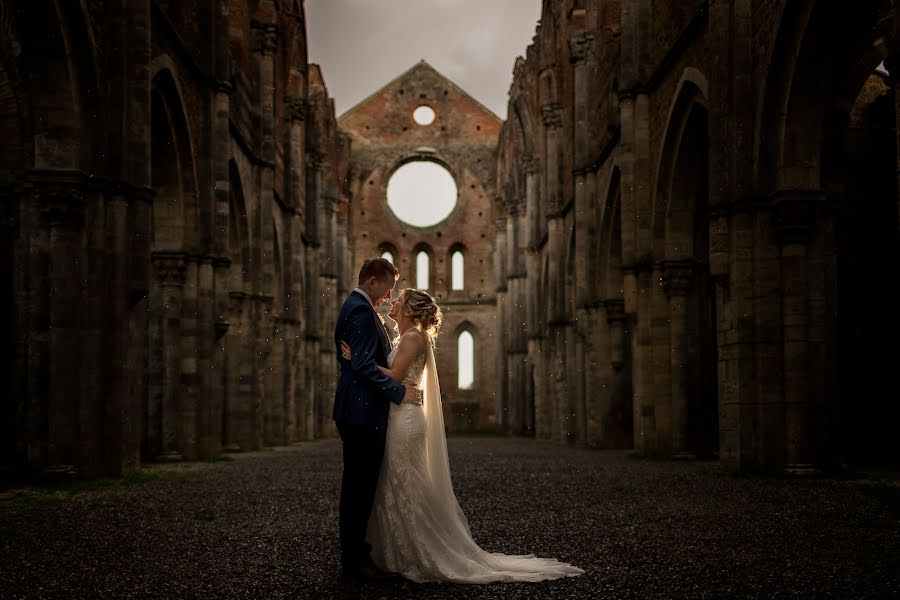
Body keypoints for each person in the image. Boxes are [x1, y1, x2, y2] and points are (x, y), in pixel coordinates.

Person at [340, 288, 585, 583]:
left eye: (398, 300)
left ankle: (417, 552)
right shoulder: (405, 337)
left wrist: (357, 360)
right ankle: (399, 551)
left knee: (405, 484)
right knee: (399, 484)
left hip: (404, 421)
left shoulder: (413, 337)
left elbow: (393, 377)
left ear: (408, 310)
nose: (392, 302)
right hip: (400, 415)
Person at [333, 258, 422, 581]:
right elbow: (364, 367)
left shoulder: (362, 307)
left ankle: (358, 556)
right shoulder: (359, 309)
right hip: (360, 413)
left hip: (362, 410)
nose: (388, 297)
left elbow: (361, 362)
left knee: (362, 487)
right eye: (386, 290)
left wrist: (355, 360)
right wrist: (399, 394)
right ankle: (355, 562)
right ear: (372, 281)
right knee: (358, 489)